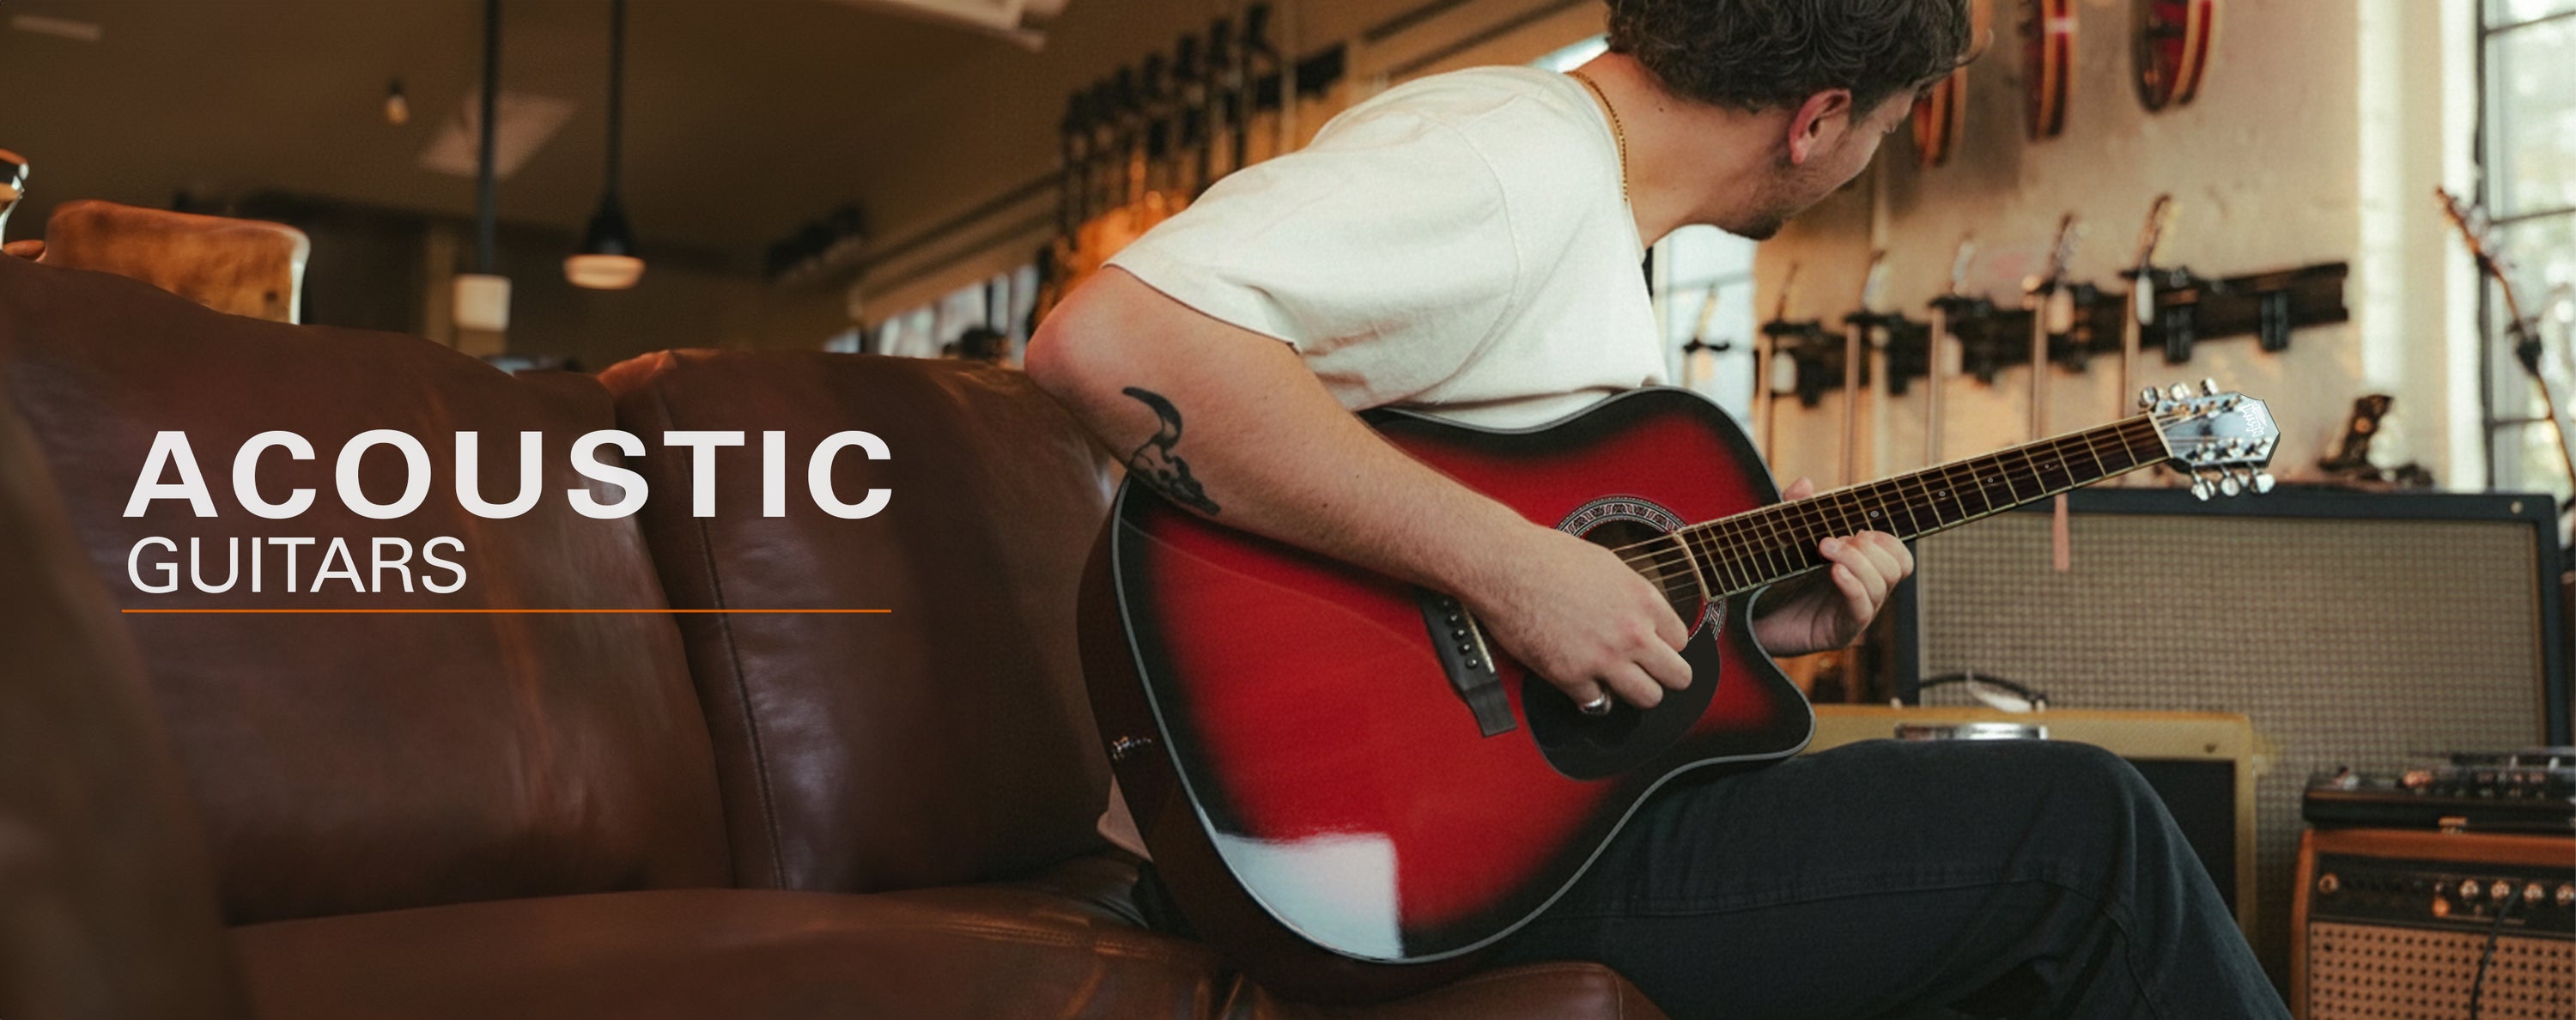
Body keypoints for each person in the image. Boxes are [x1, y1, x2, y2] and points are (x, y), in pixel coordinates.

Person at [1025, 3, 2287, 1017]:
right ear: (1821, 118)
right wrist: (1515, 571)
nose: (1865, 164)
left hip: (1461, 830)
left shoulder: (1589, 205)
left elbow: (1528, 572)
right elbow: (1107, 340)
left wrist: (1735, 625)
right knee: (2084, 830)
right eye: (1889, 132)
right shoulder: (1509, 160)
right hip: (1336, 856)